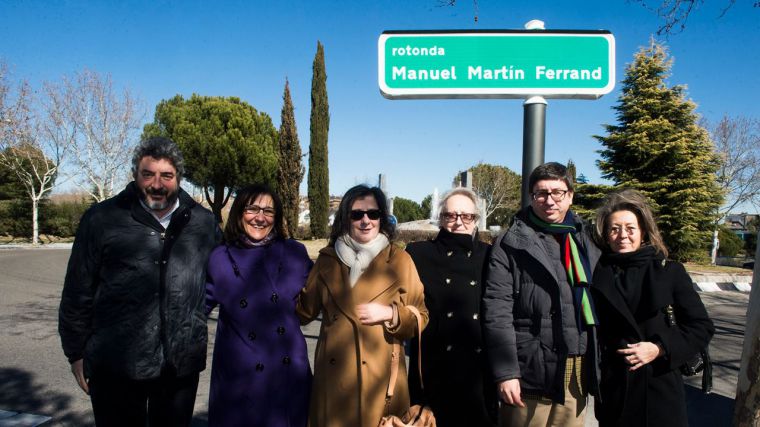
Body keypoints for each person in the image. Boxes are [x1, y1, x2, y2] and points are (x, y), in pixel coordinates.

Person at [58, 136, 221, 426]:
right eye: (148, 174)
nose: (157, 184)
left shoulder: (203, 223)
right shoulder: (102, 219)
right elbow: (77, 291)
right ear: (135, 174)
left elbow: (222, 278)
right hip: (115, 364)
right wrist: (76, 353)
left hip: (179, 366)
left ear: (179, 178)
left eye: (167, 176)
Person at [297, 184, 429, 427]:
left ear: (382, 218)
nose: (365, 220)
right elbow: (303, 312)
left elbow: (421, 316)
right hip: (333, 383)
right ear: (346, 218)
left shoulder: (400, 260)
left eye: (373, 214)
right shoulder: (327, 260)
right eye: (357, 214)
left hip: (381, 385)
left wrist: (392, 314)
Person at [482, 162, 600, 427]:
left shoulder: (584, 239)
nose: (550, 200)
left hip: (574, 371)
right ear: (531, 197)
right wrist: (506, 373)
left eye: (557, 192)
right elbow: (497, 313)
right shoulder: (510, 243)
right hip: (529, 372)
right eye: (541, 193)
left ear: (570, 195)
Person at [590, 189, 714, 427]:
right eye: (614, 229)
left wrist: (659, 348)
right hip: (615, 390)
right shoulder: (597, 272)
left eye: (630, 228)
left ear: (643, 231)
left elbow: (701, 327)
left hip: (659, 389)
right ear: (605, 234)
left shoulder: (669, 271)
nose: (622, 235)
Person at [205, 184, 312, 426]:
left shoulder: (295, 253)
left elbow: (324, 297)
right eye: (252, 209)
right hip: (239, 377)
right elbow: (194, 308)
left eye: (268, 211)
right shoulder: (220, 257)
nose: (260, 218)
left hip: (287, 375)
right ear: (239, 212)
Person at [406, 187, 496, 427]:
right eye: (451, 215)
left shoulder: (490, 256)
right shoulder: (417, 254)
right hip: (434, 372)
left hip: (478, 374)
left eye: (467, 216)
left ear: (476, 220)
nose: (459, 222)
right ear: (441, 217)